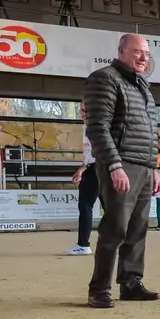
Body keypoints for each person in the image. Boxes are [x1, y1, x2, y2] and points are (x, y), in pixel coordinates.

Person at [83, 33, 160, 309]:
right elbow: (97, 127)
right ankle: (99, 289)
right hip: (121, 164)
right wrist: (114, 165)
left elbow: (151, 131)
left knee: (138, 228)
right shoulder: (104, 78)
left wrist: (154, 167)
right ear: (121, 51)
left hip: (143, 166)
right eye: (138, 52)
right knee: (115, 227)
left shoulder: (143, 86)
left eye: (147, 54)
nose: (143, 58)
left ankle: (130, 284)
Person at [67, 100, 103, 256]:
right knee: (107, 208)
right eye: (81, 110)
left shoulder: (96, 127)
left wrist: (87, 168)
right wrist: (81, 169)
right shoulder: (87, 127)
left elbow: (98, 153)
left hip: (98, 168)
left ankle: (83, 244)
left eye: (86, 110)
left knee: (85, 206)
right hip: (95, 168)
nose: (83, 113)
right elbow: (89, 155)